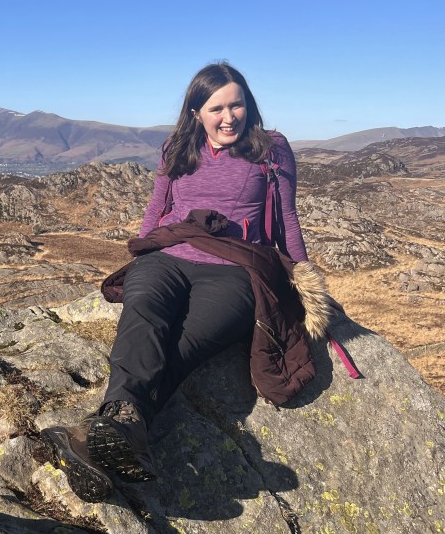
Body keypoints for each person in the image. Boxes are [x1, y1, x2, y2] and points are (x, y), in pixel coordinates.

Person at [41, 61, 316, 503]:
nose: (230, 117)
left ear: (249, 104)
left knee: (184, 345)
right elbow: (157, 209)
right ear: (195, 113)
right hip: (168, 256)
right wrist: (143, 253)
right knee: (144, 313)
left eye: (238, 104)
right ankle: (114, 431)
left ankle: (90, 436)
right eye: (217, 108)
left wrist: (307, 282)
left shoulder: (273, 150)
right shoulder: (176, 148)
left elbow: (287, 218)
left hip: (237, 269)